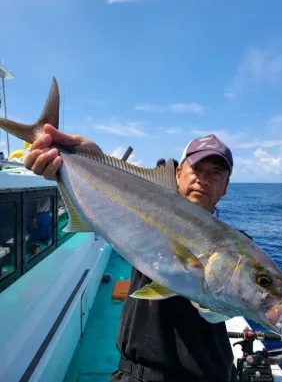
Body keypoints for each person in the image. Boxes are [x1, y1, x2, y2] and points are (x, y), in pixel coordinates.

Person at [25, 125, 237, 382]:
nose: (203, 179)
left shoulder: (238, 248)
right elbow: (119, 197)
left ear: (226, 186)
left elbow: (218, 311)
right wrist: (91, 160)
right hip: (137, 374)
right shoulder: (149, 211)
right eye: (197, 169)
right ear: (178, 174)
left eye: (216, 173)